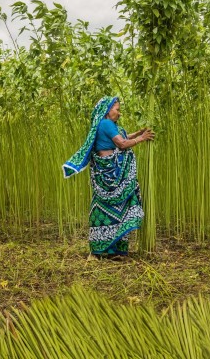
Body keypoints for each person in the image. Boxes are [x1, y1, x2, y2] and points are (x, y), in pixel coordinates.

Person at [63, 96, 154, 259]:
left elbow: (122, 136)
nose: (119, 113)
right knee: (117, 207)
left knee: (108, 209)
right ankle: (106, 250)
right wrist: (141, 138)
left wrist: (138, 133)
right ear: (107, 110)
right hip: (111, 173)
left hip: (108, 173)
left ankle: (110, 251)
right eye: (117, 109)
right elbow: (122, 143)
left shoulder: (107, 125)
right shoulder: (106, 123)